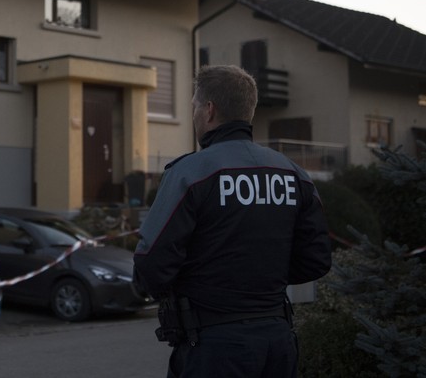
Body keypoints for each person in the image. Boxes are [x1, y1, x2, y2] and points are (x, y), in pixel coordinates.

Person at [132, 65, 331, 378]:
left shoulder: (190, 173)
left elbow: (151, 262)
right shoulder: (294, 174)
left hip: (214, 345)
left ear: (209, 111)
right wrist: (262, 278)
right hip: (277, 340)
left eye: (195, 107)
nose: (195, 115)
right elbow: (317, 259)